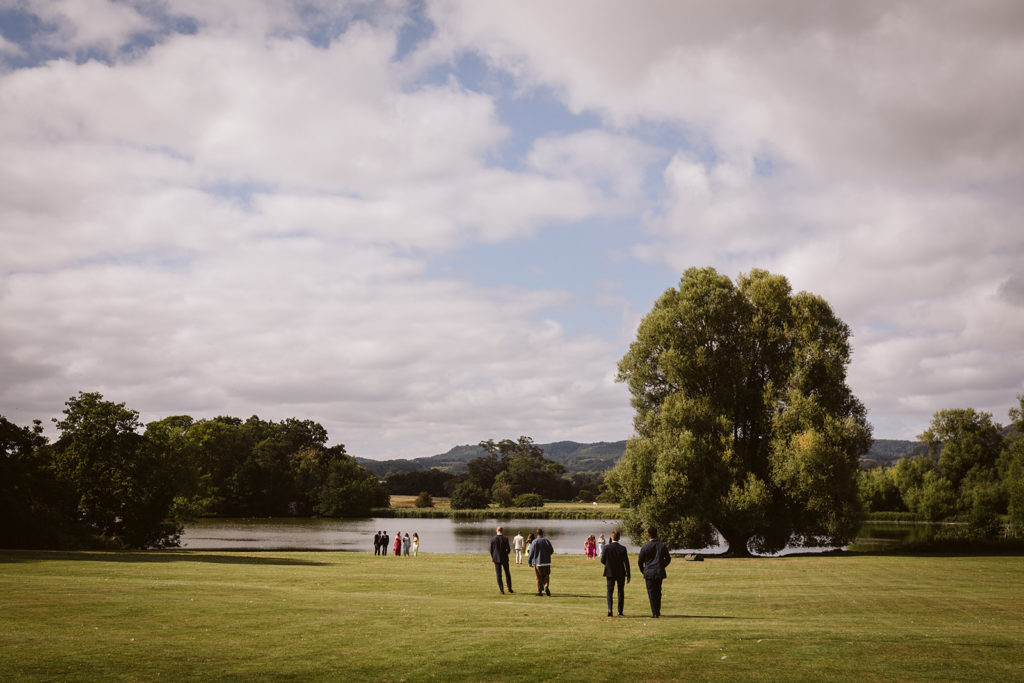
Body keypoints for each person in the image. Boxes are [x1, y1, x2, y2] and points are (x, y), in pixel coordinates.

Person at [637, 527, 671, 618]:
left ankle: (654, 612)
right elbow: (668, 559)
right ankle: (657, 610)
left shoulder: (645, 547)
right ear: (657, 534)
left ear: (649, 535)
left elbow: (640, 561)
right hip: (659, 571)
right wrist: (661, 566)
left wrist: (643, 571)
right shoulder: (662, 546)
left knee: (651, 593)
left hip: (649, 572)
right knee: (658, 591)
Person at [600, 530, 630, 616]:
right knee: (620, 591)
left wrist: (608, 564)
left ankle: (610, 610)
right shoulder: (623, 548)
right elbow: (626, 563)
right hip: (621, 572)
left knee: (610, 591)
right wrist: (628, 574)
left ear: (611, 537)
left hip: (610, 572)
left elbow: (602, 560)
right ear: (619, 538)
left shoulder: (606, 547)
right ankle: (620, 611)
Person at [527, 528, 554, 596]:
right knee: (547, 575)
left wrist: (529, 562)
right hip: (547, 562)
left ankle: (540, 592)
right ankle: (546, 586)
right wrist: (547, 555)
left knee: (538, 577)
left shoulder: (534, 542)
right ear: (542, 533)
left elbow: (531, 553)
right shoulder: (546, 541)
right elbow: (551, 551)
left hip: (538, 563)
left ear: (536, 534)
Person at [490, 526, 514, 594]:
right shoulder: (505, 538)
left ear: (496, 530)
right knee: (507, 573)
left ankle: (501, 590)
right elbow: (508, 550)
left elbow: (491, 550)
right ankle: (509, 588)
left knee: (499, 575)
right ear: (502, 531)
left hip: (496, 558)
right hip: (504, 558)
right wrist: (505, 553)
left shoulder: (493, 539)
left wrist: (493, 557)